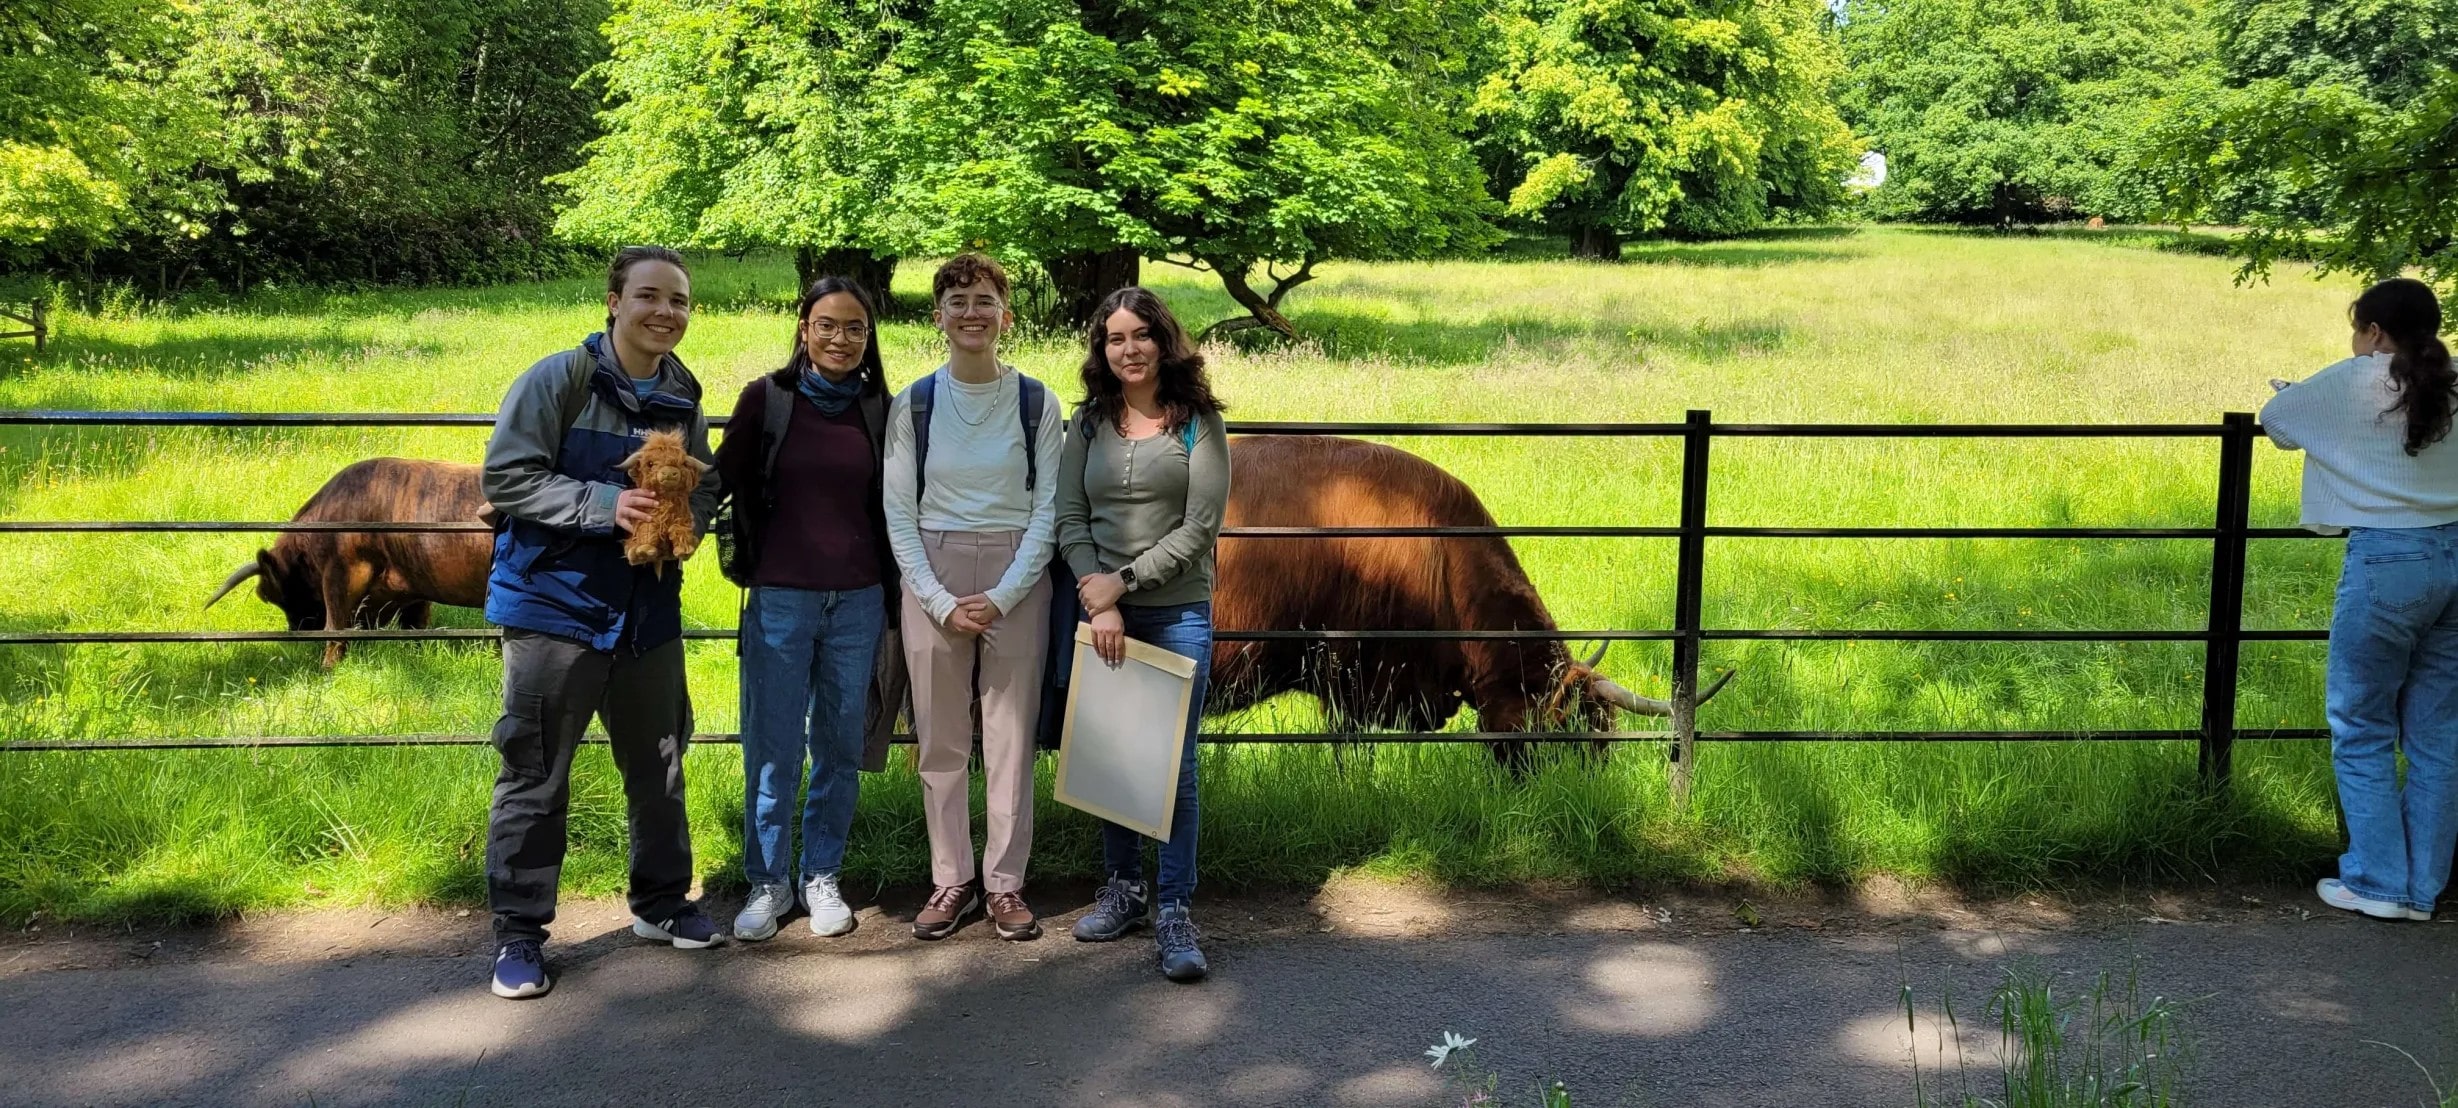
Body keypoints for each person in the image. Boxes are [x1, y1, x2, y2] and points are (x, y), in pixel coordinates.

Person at [478, 245, 726, 999]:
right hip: (555, 608)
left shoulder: (683, 393)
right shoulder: (562, 380)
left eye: (679, 301)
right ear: (614, 301)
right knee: (536, 772)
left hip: (646, 613)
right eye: (650, 296)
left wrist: (690, 524)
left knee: (660, 762)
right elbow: (507, 475)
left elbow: (702, 486)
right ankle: (519, 936)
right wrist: (603, 506)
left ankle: (658, 904)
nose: (665, 313)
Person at [2262, 276, 2458, 923]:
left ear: (2373, 331)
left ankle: (2378, 883)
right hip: (2454, 553)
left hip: (2386, 560)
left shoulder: (2355, 378)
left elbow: (2277, 422)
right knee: (2438, 732)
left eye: (2358, 329)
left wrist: (2300, 398)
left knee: (2362, 722)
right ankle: (2422, 890)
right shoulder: (2450, 384)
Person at [882, 253, 1066, 941]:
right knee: (941, 738)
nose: (971, 312)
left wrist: (1006, 591)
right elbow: (898, 510)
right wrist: (935, 598)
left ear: (1005, 316)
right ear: (938, 317)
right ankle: (950, 877)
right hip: (932, 565)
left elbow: (1049, 506)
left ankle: (1006, 885)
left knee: (1011, 739)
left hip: (1017, 571)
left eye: (984, 300)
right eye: (956, 301)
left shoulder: (1036, 402)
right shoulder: (916, 403)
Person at [715, 276, 900, 941]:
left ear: (868, 336)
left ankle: (822, 874)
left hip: (859, 601)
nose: (840, 338)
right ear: (803, 329)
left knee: (839, 746)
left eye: (854, 327)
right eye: (827, 324)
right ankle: (768, 882)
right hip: (780, 599)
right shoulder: (768, 400)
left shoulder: (884, 409)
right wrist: (655, 525)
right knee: (772, 748)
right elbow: (718, 480)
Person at [1055, 286, 1231, 981]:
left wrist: (1120, 585)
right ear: (1102, 349)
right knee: (1112, 756)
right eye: (1114, 339)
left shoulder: (1199, 423)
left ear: (1164, 341)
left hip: (1178, 611)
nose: (1127, 350)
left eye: (1140, 336)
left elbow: (1199, 529)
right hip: (1101, 612)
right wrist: (1099, 601)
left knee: (1172, 768)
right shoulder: (1089, 423)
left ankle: (1176, 911)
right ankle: (1123, 890)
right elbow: (1070, 517)